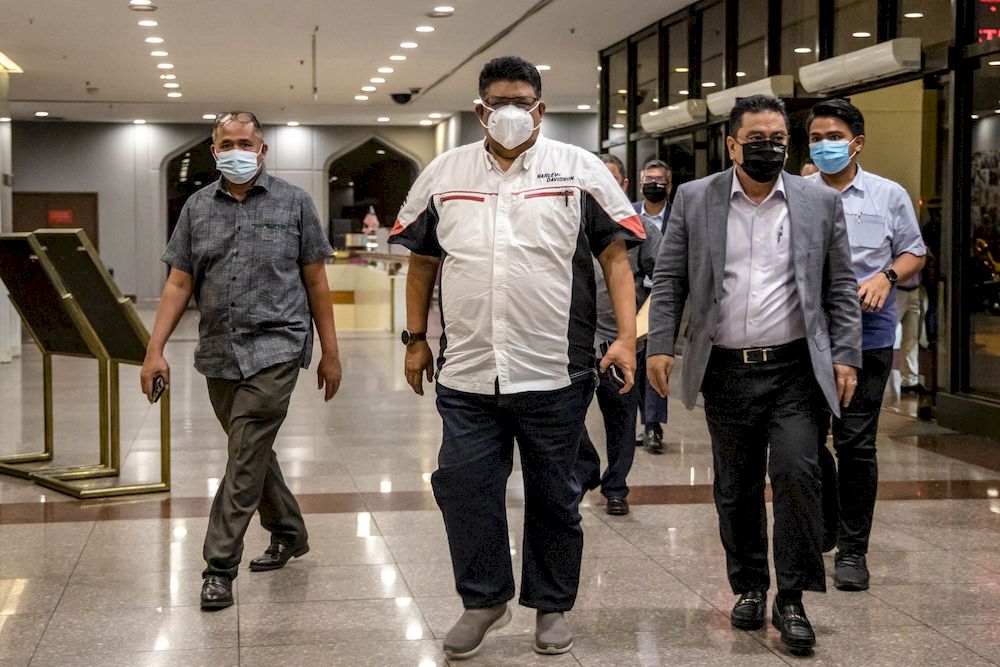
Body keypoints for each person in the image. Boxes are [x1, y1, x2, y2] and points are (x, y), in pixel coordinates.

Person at [389, 56, 643, 659]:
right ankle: (483, 600)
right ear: (480, 109)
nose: (511, 112)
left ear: (540, 108)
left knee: (555, 494)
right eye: (499, 102)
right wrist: (415, 337)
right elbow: (423, 262)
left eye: (522, 101)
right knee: (462, 484)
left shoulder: (579, 171)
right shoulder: (442, 174)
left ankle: (551, 605)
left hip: (553, 370)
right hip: (469, 370)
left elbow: (615, 260)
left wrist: (627, 338)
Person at [646, 95, 861, 655]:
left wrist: (845, 355)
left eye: (778, 139)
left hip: (795, 369)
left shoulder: (817, 201)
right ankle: (749, 586)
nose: (769, 147)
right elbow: (669, 281)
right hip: (726, 370)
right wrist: (660, 347)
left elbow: (840, 286)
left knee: (797, 474)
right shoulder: (696, 199)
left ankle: (792, 597)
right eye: (757, 138)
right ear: (733, 143)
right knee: (735, 487)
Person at [140, 111, 342, 611]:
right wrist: (154, 349)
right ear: (214, 151)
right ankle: (290, 532)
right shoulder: (196, 208)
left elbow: (316, 280)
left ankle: (218, 567)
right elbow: (179, 283)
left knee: (243, 453)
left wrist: (331, 352)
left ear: (262, 149)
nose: (236, 149)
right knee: (252, 453)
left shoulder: (295, 203)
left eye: (245, 141)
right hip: (218, 352)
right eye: (226, 142)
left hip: (277, 345)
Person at [806, 98, 926, 591]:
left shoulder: (887, 194)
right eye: (815, 137)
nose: (823, 145)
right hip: (808, 331)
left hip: (869, 331)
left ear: (856, 142)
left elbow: (914, 250)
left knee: (855, 442)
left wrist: (887, 275)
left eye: (832, 136)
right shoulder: (797, 192)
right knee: (808, 441)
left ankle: (853, 551)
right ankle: (828, 520)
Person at [575, 154, 662, 516]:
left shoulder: (642, 230)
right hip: (577, 344)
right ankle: (586, 467)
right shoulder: (570, 225)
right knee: (565, 417)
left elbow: (663, 288)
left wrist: (638, 335)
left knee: (622, 421)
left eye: (608, 179)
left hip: (621, 342)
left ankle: (616, 487)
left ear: (623, 186)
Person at [632, 159, 672, 452]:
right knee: (634, 359)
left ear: (668, 186)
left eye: (659, 180)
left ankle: (652, 426)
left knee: (655, 358)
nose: (653, 185)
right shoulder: (629, 214)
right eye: (649, 179)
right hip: (634, 297)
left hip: (662, 298)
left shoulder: (679, 214)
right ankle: (643, 420)